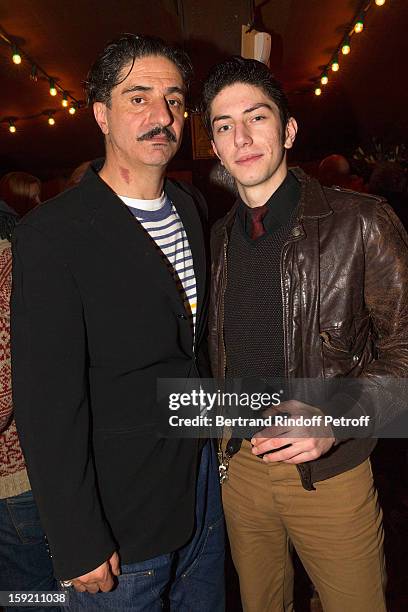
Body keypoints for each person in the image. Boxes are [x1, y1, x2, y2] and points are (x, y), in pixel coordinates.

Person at [11, 34, 224, 611]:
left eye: (175, 100)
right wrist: (77, 537)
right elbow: (46, 404)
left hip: (200, 487)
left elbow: (190, 353)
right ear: (101, 114)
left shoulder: (190, 205)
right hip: (119, 519)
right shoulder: (52, 235)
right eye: (138, 99)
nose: (162, 117)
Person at [202, 56, 408, 611]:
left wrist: (335, 417)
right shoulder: (218, 239)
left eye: (257, 117)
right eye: (224, 126)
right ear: (215, 148)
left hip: (331, 476)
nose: (241, 137)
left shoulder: (362, 220)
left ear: (288, 129)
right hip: (240, 470)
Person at [0, 197, 59, 612]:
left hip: (15, 485)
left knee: (32, 598)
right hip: (27, 477)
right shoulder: (20, 258)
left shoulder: (7, 269)